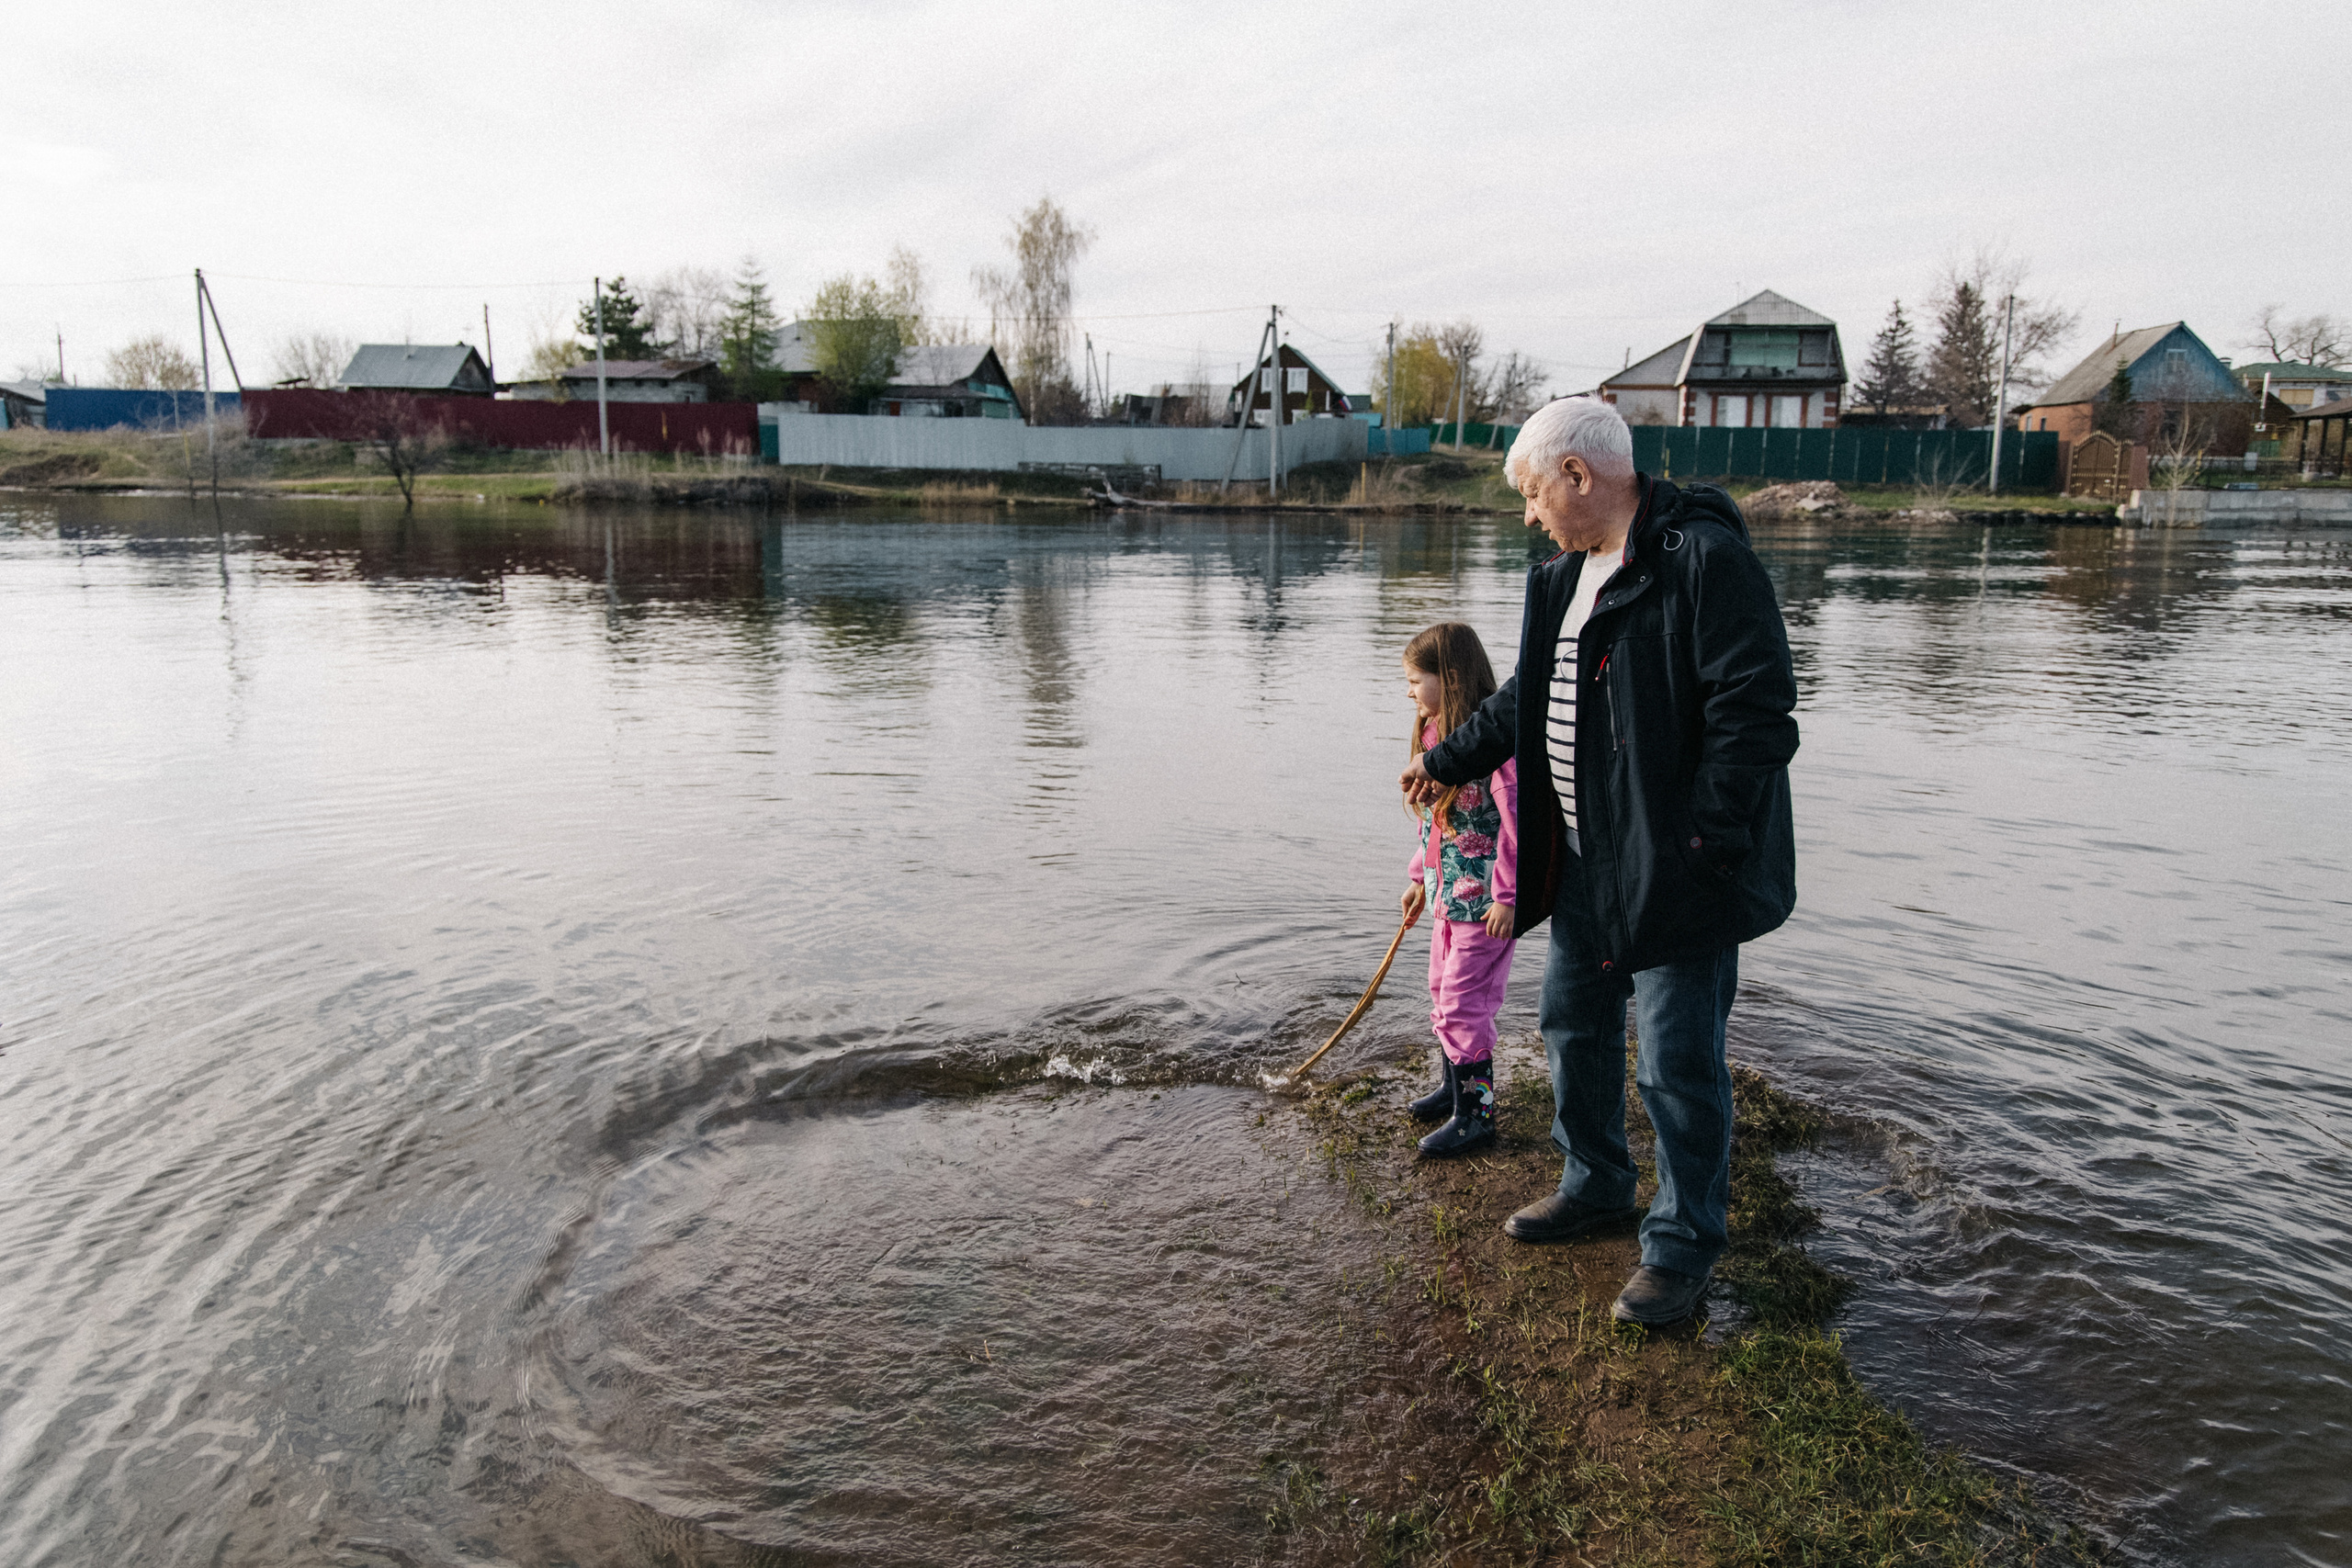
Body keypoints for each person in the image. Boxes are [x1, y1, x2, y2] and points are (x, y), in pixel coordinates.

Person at [1399, 397, 1798, 1327]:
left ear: (1579, 475)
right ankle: (1595, 1186)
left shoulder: (1703, 561)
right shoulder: (1557, 580)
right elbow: (1520, 707)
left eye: (1536, 494)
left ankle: (1681, 1245)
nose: (1529, 515)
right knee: (1570, 1028)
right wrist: (1443, 759)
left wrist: (1702, 844)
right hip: (1579, 863)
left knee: (1673, 1063)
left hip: (1677, 873)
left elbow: (1756, 716)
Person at [1396, 622, 1519, 1157]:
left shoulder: (1492, 745)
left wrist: (1509, 897)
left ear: (1448, 677)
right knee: (1441, 992)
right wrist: (1418, 879)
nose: (1408, 691)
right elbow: (1436, 824)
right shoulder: (1434, 739)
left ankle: (1477, 1115)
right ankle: (1455, 1088)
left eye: (1414, 679)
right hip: (1448, 899)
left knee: (1464, 1003)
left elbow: (1516, 823)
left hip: (1485, 904)